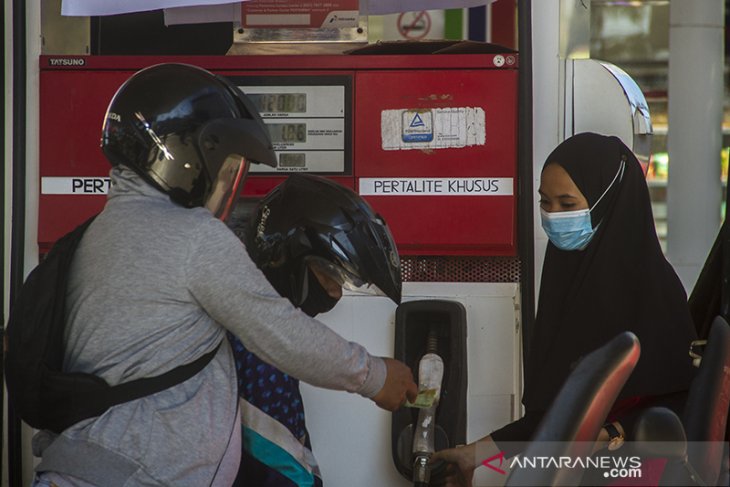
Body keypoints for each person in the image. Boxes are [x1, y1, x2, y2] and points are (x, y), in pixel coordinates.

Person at [30, 63, 417, 487]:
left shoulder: (95, 235)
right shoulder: (191, 236)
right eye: (229, 166)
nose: (227, 183)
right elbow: (277, 330)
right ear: (188, 154)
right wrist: (375, 376)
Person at [431, 132, 698, 486]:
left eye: (567, 204)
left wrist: (611, 432)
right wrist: (475, 455)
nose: (553, 216)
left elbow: (685, 401)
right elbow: (553, 416)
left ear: (606, 202)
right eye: (546, 203)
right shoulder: (568, 280)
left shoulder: (654, 290)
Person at [225, 173, 403, 486]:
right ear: (286, 259)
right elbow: (281, 470)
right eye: (329, 273)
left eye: (344, 280)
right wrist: (374, 377)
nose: (336, 292)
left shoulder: (251, 320)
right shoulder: (258, 350)